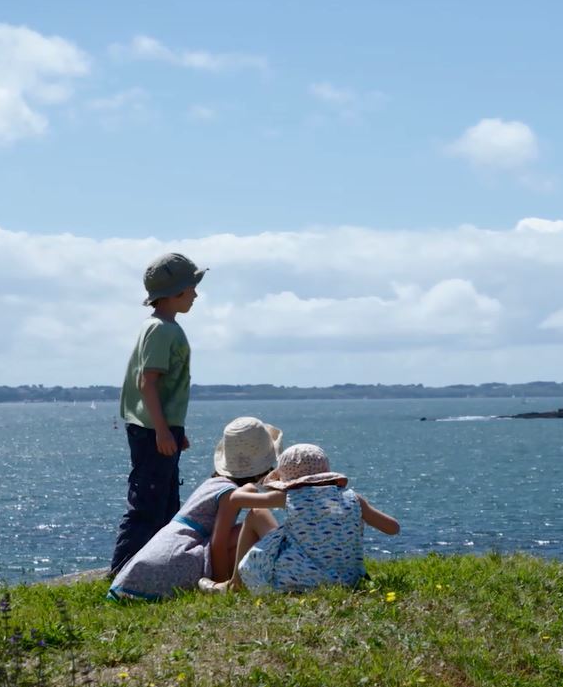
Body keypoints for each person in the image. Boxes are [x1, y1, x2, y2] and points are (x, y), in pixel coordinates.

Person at [108, 416, 281, 601]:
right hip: (177, 559)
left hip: (141, 574)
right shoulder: (231, 493)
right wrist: (220, 583)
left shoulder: (213, 483)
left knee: (245, 534)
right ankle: (286, 562)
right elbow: (218, 544)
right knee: (253, 527)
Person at [109, 252, 205, 576]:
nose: (195, 294)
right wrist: (164, 431)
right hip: (153, 430)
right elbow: (147, 383)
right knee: (148, 505)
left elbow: (160, 389)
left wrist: (175, 428)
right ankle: (122, 572)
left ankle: (154, 570)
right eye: (191, 288)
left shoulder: (162, 327)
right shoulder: (162, 330)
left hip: (158, 426)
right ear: (176, 292)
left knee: (165, 502)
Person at [206, 443, 399, 594]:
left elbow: (235, 499)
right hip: (348, 580)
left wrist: (254, 488)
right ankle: (233, 584)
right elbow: (393, 528)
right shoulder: (353, 498)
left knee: (256, 513)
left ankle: (234, 584)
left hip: (298, 580)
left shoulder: (289, 496)